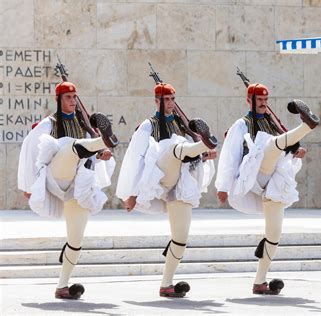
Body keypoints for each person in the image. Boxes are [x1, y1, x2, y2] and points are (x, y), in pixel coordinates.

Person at [215, 83, 320, 295]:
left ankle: (260, 281)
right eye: (259, 100)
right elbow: (229, 155)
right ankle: (306, 126)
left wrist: (295, 152)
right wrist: (223, 186)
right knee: (269, 147)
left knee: (274, 234)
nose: (263, 103)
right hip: (254, 173)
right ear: (249, 100)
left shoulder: (272, 123)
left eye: (265, 100)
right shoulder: (241, 125)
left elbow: (285, 152)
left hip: (274, 181)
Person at [18, 81, 118, 299]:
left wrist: (102, 155)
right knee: (69, 147)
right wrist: (28, 187)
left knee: (76, 239)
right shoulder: (49, 124)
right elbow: (29, 149)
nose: (72, 101)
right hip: (57, 175)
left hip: (77, 185)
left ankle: (62, 286)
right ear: (58, 100)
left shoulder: (84, 126)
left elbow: (93, 160)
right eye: (68, 97)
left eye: (74, 97)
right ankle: (103, 140)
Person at [116, 82, 218, 298]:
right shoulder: (147, 126)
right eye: (166, 100)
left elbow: (192, 162)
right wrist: (131, 194)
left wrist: (204, 156)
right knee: (174, 147)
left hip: (179, 183)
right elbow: (136, 159)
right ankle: (205, 143)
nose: (171, 104)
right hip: (158, 176)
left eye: (173, 99)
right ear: (156, 101)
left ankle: (166, 284)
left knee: (181, 237)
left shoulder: (183, 126)